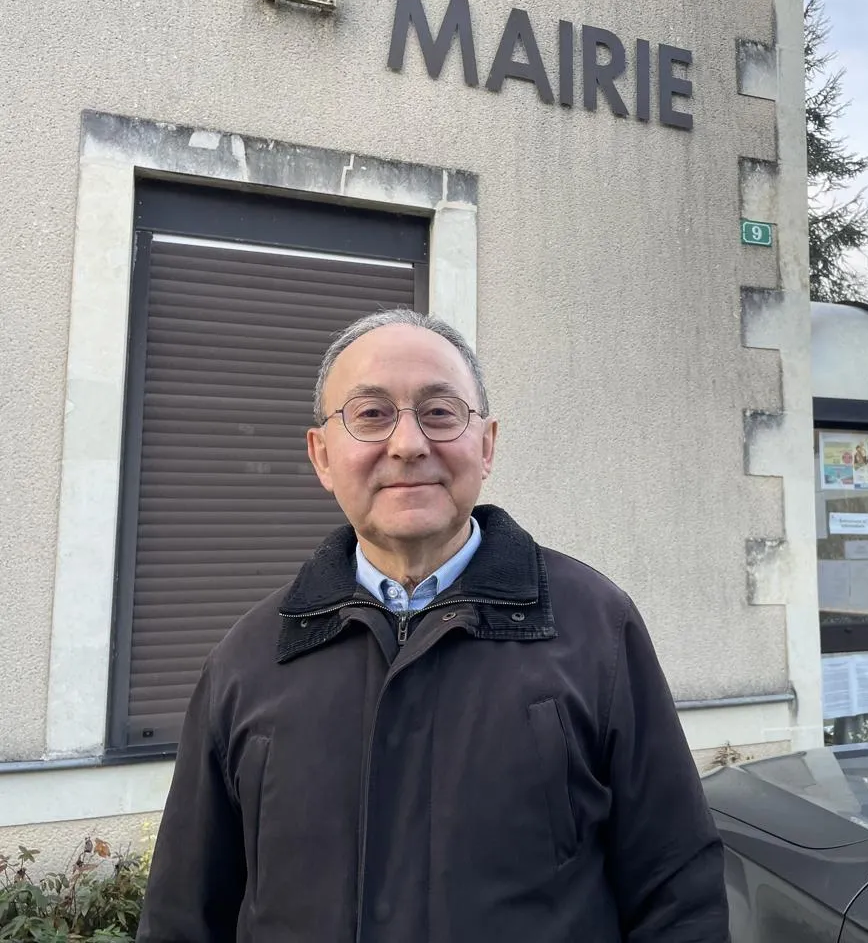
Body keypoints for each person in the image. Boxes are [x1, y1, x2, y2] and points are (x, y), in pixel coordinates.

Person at [136, 309, 729, 942]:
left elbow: (678, 897)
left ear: (487, 445)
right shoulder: (247, 661)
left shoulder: (596, 628)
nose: (408, 444)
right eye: (370, 414)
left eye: (440, 412)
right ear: (322, 456)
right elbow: (182, 919)